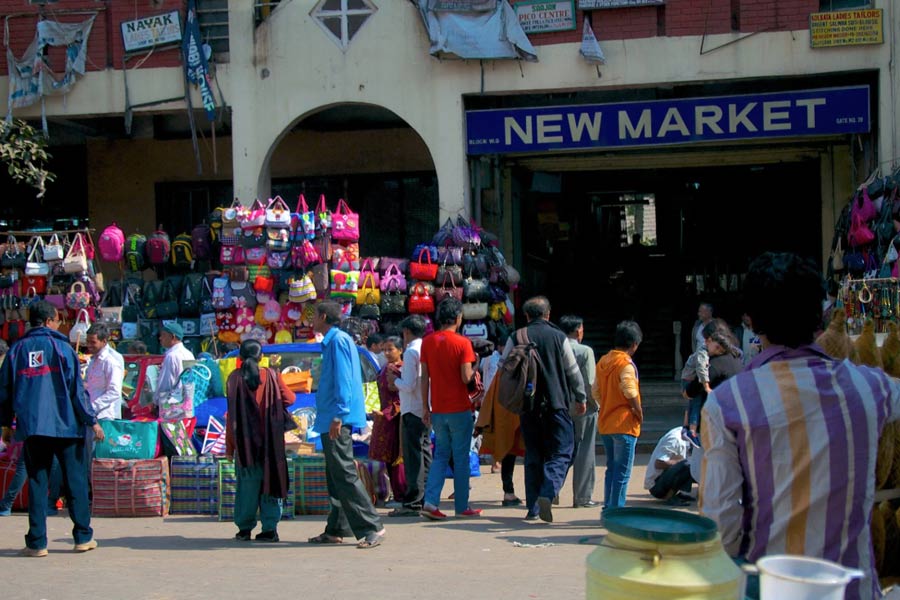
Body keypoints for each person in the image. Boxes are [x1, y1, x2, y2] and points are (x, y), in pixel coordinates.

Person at [700, 252, 900, 600]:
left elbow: (721, 527)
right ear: (820, 313)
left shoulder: (728, 403)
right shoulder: (873, 388)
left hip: (773, 589)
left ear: (751, 320)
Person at [0, 300, 105, 556]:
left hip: (34, 428)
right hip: (67, 426)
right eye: (57, 319)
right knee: (75, 481)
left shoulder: (17, 350)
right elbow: (76, 391)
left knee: (38, 481)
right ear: (50, 320)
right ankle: (82, 537)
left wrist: (6, 424)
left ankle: (37, 543)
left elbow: (4, 391)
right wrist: (90, 419)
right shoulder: (63, 348)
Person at [307, 300, 385, 549]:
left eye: (314, 316)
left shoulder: (338, 340)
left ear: (322, 316)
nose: (311, 320)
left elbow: (344, 380)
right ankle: (336, 528)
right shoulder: (333, 341)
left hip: (337, 418)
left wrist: (339, 415)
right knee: (335, 475)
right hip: (330, 416)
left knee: (345, 472)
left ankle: (372, 526)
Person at [501, 296, 586, 523]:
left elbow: (504, 367)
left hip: (527, 406)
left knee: (534, 455)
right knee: (563, 450)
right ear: (548, 315)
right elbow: (572, 371)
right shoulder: (559, 336)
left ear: (527, 316)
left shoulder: (516, 336)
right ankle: (547, 493)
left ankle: (533, 508)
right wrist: (581, 396)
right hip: (556, 404)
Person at [225, 339, 295, 542]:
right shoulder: (271, 376)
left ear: (239, 358)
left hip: (245, 444)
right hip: (270, 445)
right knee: (270, 484)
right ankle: (270, 529)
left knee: (246, 487)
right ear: (261, 357)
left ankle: (244, 530)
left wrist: (230, 447)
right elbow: (290, 399)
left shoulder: (233, 379)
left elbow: (232, 416)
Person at [419, 297, 482, 520]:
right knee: (461, 457)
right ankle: (462, 505)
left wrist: (425, 407)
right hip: (460, 409)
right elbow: (466, 377)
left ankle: (431, 501)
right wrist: (476, 364)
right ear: (458, 317)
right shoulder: (463, 343)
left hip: (438, 409)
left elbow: (424, 378)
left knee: (440, 456)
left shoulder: (427, 342)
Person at [596, 320, 643, 512]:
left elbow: (595, 392)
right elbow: (630, 391)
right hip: (624, 424)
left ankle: (608, 507)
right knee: (622, 472)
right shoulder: (625, 364)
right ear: (634, 344)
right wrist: (638, 412)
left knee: (612, 469)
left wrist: (606, 404)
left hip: (606, 422)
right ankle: (616, 511)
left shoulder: (603, 361)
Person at [387, 315, 430, 517]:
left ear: (406, 332)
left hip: (412, 408)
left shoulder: (412, 351)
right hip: (424, 407)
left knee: (413, 457)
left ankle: (413, 502)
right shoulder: (424, 347)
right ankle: (425, 496)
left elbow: (410, 385)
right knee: (423, 452)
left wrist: (394, 381)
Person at [559, 315, 598, 508]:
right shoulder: (585, 351)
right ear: (577, 331)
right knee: (584, 450)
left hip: (559, 405)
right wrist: (595, 404)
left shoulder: (556, 348)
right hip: (583, 407)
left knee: (559, 450)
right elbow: (590, 382)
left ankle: (553, 491)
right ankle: (582, 496)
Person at [368, 335, 406, 504]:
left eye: (391, 349)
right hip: (383, 418)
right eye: (385, 349)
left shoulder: (400, 369)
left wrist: (387, 413)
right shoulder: (385, 368)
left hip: (395, 419)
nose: (387, 353)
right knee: (387, 458)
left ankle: (401, 494)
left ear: (400, 350)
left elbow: (401, 396)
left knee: (397, 457)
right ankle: (395, 494)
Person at [84, 323, 125, 421]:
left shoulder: (111, 361)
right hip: (93, 415)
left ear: (104, 341)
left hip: (105, 416)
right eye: (87, 341)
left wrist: (93, 407)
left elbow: (114, 392)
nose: (89, 345)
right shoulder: (93, 360)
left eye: (93, 342)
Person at [643, 426, 694, 506]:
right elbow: (658, 463)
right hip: (656, 487)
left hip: (664, 480)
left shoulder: (687, 435)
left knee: (693, 463)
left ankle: (678, 494)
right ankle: (669, 497)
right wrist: (679, 461)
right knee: (687, 464)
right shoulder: (674, 438)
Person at [154, 322, 195, 408]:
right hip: (187, 402)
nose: (160, 338)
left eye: (163, 335)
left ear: (173, 336)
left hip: (172, 405)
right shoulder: (189, 354)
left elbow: (166, 384)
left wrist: (156, 401)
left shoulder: (171, 356)